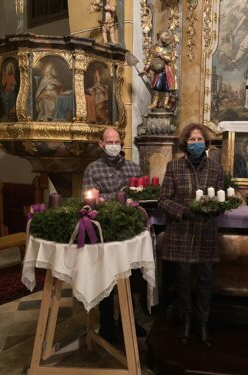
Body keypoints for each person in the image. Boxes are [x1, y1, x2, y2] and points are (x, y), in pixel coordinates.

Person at [159, 123, 224, 349]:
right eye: (191, 139)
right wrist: (183, 211)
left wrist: (216, 209)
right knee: (183, 280)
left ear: (205, 143)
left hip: (206, 232)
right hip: (182, 232)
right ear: (185, 143)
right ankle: (186, 320)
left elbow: (221, 199)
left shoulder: (216, 169)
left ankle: (203, 323)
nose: (195, 143)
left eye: (199, 139)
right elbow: (164, 199)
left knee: (205, 281)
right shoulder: (174, 167)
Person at [82, 127, 146, 342]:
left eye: (116, 141)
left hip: (129, 232)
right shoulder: (92, 169)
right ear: (101, 144)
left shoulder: (134, 168)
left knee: (130, 277)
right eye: (109, 141)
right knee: (106, 278)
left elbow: (141, 195)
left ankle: (130, 320)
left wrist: (107, 197)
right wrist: (122, 198)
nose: (113, 145)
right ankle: (107, 323)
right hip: (105, 232)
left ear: (121, 143)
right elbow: (90, 201)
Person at [140, 30, 178, 111]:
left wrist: (162, 56)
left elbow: (171, 58)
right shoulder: (153, 48)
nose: (167, 37)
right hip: (158, 71)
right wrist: (145, 70)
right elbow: (149, 60)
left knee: (167, 88)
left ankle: (165, 103)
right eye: (166, 35)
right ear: (160, 36)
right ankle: (154, 103)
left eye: (168, 36)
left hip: (167, 71)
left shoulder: (168, 48)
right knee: (156, 87)